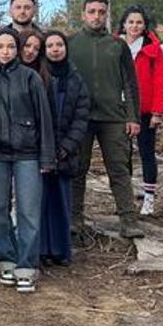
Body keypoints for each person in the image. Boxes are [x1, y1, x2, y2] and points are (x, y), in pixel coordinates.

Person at [0, 28, 55, 293]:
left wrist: (47, 156)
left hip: (28, 153)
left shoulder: (30, 77)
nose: (6, 51)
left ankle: (27, 265)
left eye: (11, 47)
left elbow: (44, 119)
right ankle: (7, 258)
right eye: (1, 46)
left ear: (17, 50)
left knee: (28, 211)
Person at [69, 0, 145, 238]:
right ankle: (74, 219)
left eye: (101, 12)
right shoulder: (70, 43)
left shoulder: (117, 45)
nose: (96, 16)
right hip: (80, 118)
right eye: (91, 11)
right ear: (83, 14)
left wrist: (133, 117)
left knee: (119, 169)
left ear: (107, 15)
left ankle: (128, 220)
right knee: (77, 169)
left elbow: (129, 83)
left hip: (113, 117)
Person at [41, 31, 91, 265]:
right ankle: (42, 249)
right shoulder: (38, 75)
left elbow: (81, 117)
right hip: (43, 150)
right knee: (41, 202)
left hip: (66, 151)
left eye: (59, 44)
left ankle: (61, 250)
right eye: (50, 45)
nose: (55, 49)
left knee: (62, 200)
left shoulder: (76, 78)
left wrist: (68, 145)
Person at [117, 6, 163, 215]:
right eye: (131, 22)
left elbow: (161, 80)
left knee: (147, 153)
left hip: (145, 109)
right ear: (124, 24)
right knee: (123, 155)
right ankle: (126, 199)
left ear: (144, 25)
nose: (134, 26)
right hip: (119, 109)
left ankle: (149, 200)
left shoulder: (152, 49)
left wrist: (158, 111)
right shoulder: (115, 45)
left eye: (139, 22)